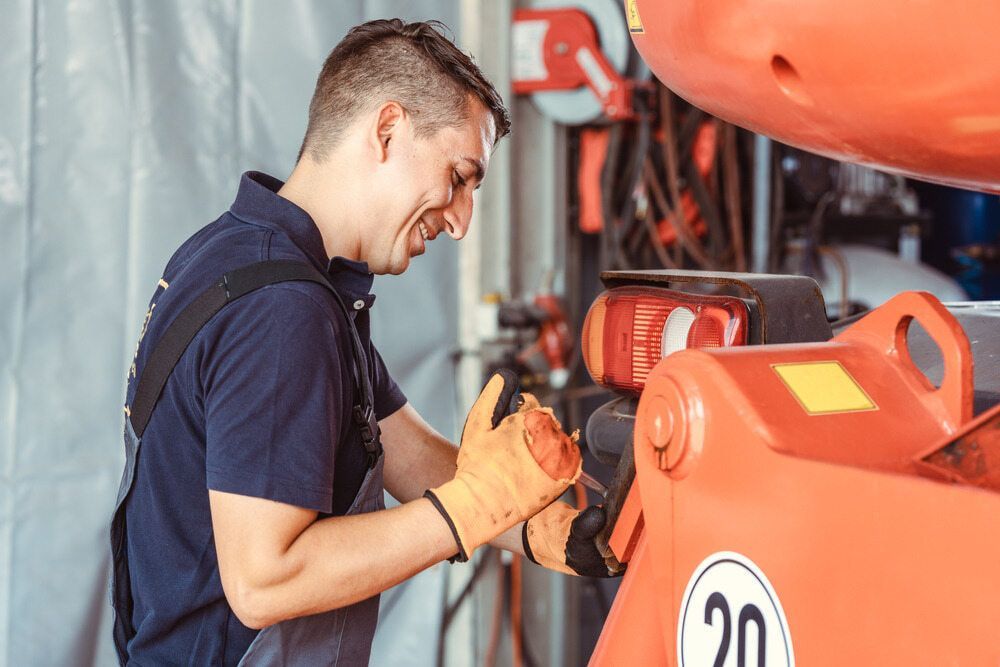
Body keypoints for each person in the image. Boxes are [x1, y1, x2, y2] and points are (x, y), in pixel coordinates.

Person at [110, 18, 613, 666]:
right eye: (459, 177)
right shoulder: (281, 311)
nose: (461, 221)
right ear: (386, 130)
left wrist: (545, 531)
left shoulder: (245, 261)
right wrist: (468, 509)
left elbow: (411, 456)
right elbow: (265, 579)